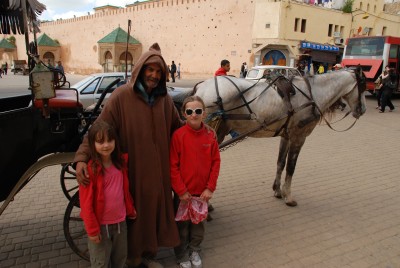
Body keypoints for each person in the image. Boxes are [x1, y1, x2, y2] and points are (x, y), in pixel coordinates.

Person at [75, 43, 182, 268]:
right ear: (141, 69)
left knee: (153, 212)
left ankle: (148, 254)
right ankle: (133, 258)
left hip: (158, 173)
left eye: (158, 71)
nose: (153, 75)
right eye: (149, 70)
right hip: (132, 171)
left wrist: (199, 130)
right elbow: (99, 127)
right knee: (134, 217)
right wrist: (82, 158)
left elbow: (177, 127)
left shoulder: (165, 100)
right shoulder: (122, 96)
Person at [170, 96, 221, 268]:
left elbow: (216, 163)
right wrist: (181, 191)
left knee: (198, 225)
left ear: (204, 113)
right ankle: (181, 253)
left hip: (202, 193)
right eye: (189, 112)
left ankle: (194, 249)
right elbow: (173, 166)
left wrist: (210, 188)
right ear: (184, 114)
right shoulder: (178, 136)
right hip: (184, 194)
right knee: (182, 226)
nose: (194, 115)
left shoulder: (210, 135)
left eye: (198, 111)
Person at [79, 120, 137, 268]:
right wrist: (92, 230)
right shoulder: (91, 170)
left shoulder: (121, 163)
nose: (106, 145)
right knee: (101, 262)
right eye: (100, 141)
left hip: (120, 223)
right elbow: (86, 205)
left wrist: (130, 210)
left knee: (120, 259)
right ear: (93, 144)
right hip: (101, 226)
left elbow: (124, 191)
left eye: (109, 140)